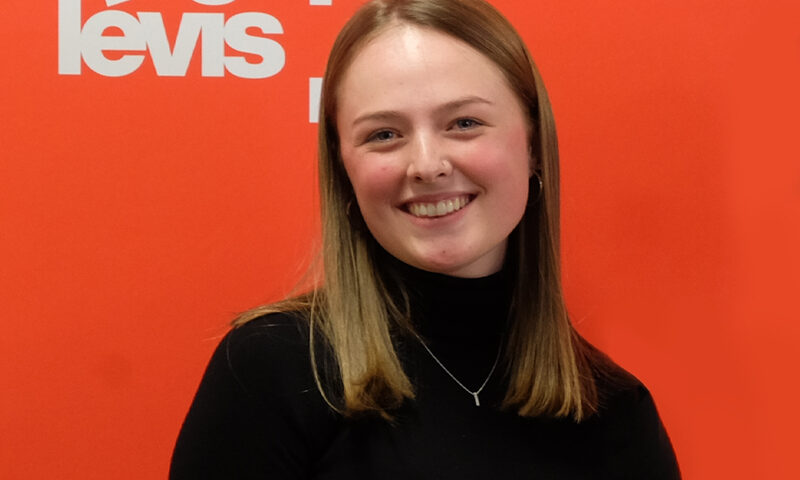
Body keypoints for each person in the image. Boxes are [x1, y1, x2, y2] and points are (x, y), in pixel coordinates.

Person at [170, 0, 681, 478]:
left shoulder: (615, 411)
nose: (427, 165)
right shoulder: (272, 368)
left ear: (532, 145)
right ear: (344, 168)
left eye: (464, 123)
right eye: (384, 134)